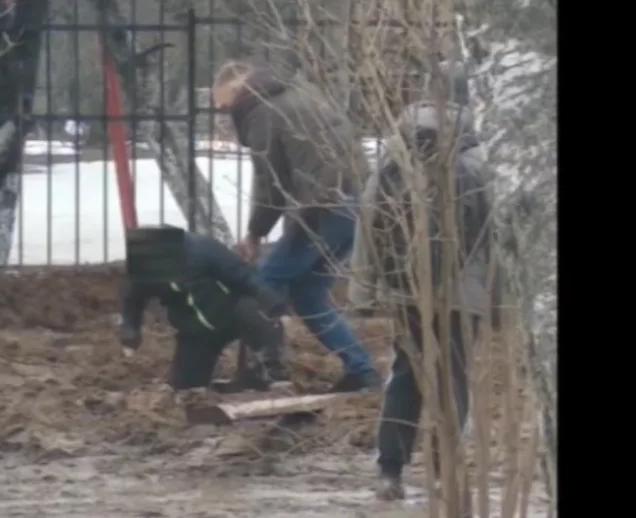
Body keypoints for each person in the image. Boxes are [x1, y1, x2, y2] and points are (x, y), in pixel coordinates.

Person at [348, 60, 501, 502]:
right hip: (462, 290)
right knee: (454, 374)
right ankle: (443, 471)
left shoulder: (398, 149)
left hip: (405, 284)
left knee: (407, 371)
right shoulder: (481, 156)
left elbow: (369, 215)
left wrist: (363, 289)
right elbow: (497, 236)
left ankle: (390, 470)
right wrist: (498, 303)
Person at [212, 60, 380, 393]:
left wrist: (255, 233)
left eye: (225, 106)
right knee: (308, 295)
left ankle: (265, 371)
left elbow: (270, 183)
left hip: (323, 208)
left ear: (236, 88)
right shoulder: (299, 92)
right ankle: (363, 371)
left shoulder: (261, 110)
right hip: (356, 201)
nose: (227, 114)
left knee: (258, 286)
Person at [118, 226, 289, 391]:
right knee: (185, 387)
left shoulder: (202, 250)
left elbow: (245, 276)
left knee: (253, 311)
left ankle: (271, 369)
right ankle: (198, 380)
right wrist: (130, 328)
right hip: (196, 331)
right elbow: (133, 298)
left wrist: (273, 303)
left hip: (232, 312)